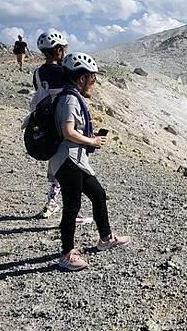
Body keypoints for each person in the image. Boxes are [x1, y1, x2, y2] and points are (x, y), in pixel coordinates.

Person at [51, 52, 130, 270]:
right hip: (68, 160)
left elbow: (70, 129)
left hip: (75, 160)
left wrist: (88, 135)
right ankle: (67, 254)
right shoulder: (69, 99)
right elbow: (67, 132)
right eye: (92, 79)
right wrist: (92, 140)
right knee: (72, 206)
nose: (93, 84)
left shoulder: (71, 96)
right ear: (81, 78)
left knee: (98, 194)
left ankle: (105, 239)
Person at [33, 30, 91, 226]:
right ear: (58, 50)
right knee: (71, 167)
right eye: (64, 48)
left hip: (46, 126)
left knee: (56, 166)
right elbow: (78, 90)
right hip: (64, 123)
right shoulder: (63, 73)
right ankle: (72, 211)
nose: (65, 51)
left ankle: (52, 202)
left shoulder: (38, 72)